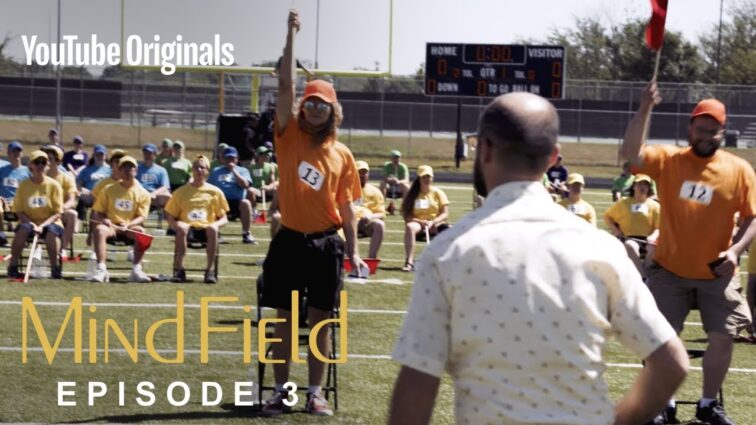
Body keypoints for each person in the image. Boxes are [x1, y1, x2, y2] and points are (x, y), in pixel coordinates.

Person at [388, 92, 689, 425]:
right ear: (553, 158)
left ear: (484, 149)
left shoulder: (448, 251)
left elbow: (417, 384)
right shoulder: (601, 247)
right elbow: (671, 363)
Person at [621, 81, 756, 425]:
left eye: (713, 130)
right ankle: (663, 405)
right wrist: (645, 107)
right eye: (701, 128)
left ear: (723, 131)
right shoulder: (669, 160)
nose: (706, 136)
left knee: (724, 337)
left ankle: (708, 405)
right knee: (657, 339)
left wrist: (735, 250)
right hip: (669, 270)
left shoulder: (740, 169)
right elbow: (631, 154)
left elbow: (752, 217)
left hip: (716, 273)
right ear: (690, 126)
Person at [259, 9, 366, 417]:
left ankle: (315, 393)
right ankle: (281, 391)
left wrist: (353, 250)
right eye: (311, 103)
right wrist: (290, 35)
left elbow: (348, 207)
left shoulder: (343, 154)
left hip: (326, 245)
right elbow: (286, 83)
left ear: (334, 111)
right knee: (285, 321)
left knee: (320, 321)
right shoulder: (287, 135)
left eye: (324, 104)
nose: (316, 109)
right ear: (302, 108)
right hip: (289, 240)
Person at [165, 155, 229, 284]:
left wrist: (215, 225)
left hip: (206, 229)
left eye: (202, 168)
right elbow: (170, 216)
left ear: (207, 171)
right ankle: (180, 270)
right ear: (192, 170)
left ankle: (209, 270)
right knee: (182, 228)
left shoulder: (215, 192)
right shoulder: (180, 192)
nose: (199, 170)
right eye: (196, 167)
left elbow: (224, 218)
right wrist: (176, 225)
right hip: (187, 229)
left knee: (212, 229)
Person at [90, 156, 152, 283]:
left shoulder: (143, 193)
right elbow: (97, 212)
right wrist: (105, 220)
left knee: (142, 233)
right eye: (124, 168)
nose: (128, 170)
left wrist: (128, 224)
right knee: (100, 230)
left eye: (131, 167)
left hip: (130, 227)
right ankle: (101, 269)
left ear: (136, 171)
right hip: (111, 227)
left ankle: (137, 270)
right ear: (119, 171)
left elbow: (141, 216)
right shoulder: (108, 190)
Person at [6, 150, 64, 279]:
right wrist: (31, 223)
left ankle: (55, 267)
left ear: (47, 165)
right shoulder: (24, 185)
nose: (40, 165)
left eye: (43, 162)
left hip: (51, 222)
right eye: (37, 162)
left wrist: (42, 226)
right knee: (22, 231)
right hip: (29, 221)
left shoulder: (54, 185)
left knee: (52, 233)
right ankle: (13, 265)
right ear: (30, 165)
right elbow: (19, 210)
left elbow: (58, 212)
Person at [604, 174, 660, 277]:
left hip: (648, 240)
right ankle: (643, 276)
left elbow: (658, 228)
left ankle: (647, 274)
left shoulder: (655, 205)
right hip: (629, 238)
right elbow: (607, 216)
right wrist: (616, 231)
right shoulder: (623, 203)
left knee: (653, 249)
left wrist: (653, 236)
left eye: (645, 185)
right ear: (633, 186)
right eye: (639, 184)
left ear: (649, 188)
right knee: (630, 246)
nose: (642, 187)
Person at [400, 165, 449, 272]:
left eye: (429, 177)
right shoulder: (412, 194)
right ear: (419, 178)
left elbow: (445, 213)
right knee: (410, 227)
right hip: (418, 223)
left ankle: (447, 262)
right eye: (424, 177)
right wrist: (421, 222)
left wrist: (434, 222)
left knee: (451, 229)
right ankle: (409, 262)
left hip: (435, 223)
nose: (427, 179)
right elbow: (406, 215)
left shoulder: (438, 193)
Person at [208, 146, 256, 244]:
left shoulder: (243, 170)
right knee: (210, 201)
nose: (230, 160)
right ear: (223, 159)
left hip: (237, 202)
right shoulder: (216, 171)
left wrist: (233, 170)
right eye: (228, 158)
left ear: (237, 159)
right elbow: (209, 186)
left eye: (232, 158)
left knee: (246, 203)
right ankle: (216, 233)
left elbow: (245, 185)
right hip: (221, 202)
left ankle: (246, 233)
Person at [41, 145, 79, 259]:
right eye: (45, 159)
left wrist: (60, 209)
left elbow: (72, 200)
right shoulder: (38, 177)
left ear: (58, 161)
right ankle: (38, 248)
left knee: (73, 214)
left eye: (50, 159)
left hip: (60, 213)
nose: (47, 162)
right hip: (41, 212)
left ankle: (62, 249)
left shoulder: (66, 179)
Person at [0, 141, 31, 245]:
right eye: (14, 151)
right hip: (4, 203)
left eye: (19, 151)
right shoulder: (2, 170)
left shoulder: (27, 171)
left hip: (20, 203)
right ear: (9, 153)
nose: (17, 154)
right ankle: (1, 235)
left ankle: (24, 236)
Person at [354, 160, 385, 259]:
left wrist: (370, 216)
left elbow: (381, 213)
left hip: (366, 223)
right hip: (349, 223)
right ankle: (349, 256)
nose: (362, 175)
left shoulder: (375, 191)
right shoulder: (346, 189)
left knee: (379, 224)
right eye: (359, 172)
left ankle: (371, 258)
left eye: (365, 172)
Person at [75, 144, 111, 212]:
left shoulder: (111, 170)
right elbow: (78, 182)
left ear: (105, 156)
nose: (99, 157)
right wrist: (82, 189)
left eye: (101, 155)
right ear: (93, 155)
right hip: (90, 194)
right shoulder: (87, 169)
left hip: (105, 195)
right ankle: (80, 216)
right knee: (83, 197)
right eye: (97, 155)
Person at [137, 144, 171, 210]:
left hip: (154, 195)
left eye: (150, 154)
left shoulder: (161, 170)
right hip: (140, 193)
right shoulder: (137, 168)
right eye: (145, 153)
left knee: (168, 196)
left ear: (155, 155)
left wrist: (153, 193)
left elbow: (165, 186)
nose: (147, 156)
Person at [247, 145, 278, 215]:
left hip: (267, 190)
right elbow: (249, 183)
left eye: (267, 154)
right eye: (264, 154)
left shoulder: (271, 167)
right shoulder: (251, 168)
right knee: (250, 190)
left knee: (277, 190)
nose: (266, 156)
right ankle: (254, 210)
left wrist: (268, 187)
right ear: (258, 155)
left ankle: (273, 209)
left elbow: (273, 182)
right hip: (257, 190)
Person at [379, 150, 410, 215]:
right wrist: (390, 179)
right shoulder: (387, 166)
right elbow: (384, 178)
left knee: (406, 186)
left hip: (399, 186)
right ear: (391, 158)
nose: (396, 159)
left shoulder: (403, 167)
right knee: (383, 184)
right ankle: (381, 207)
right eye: (394, 157)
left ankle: (403, 208)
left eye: (398, 158)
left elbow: (406, 179)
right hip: (389, 186)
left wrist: (398, 181)